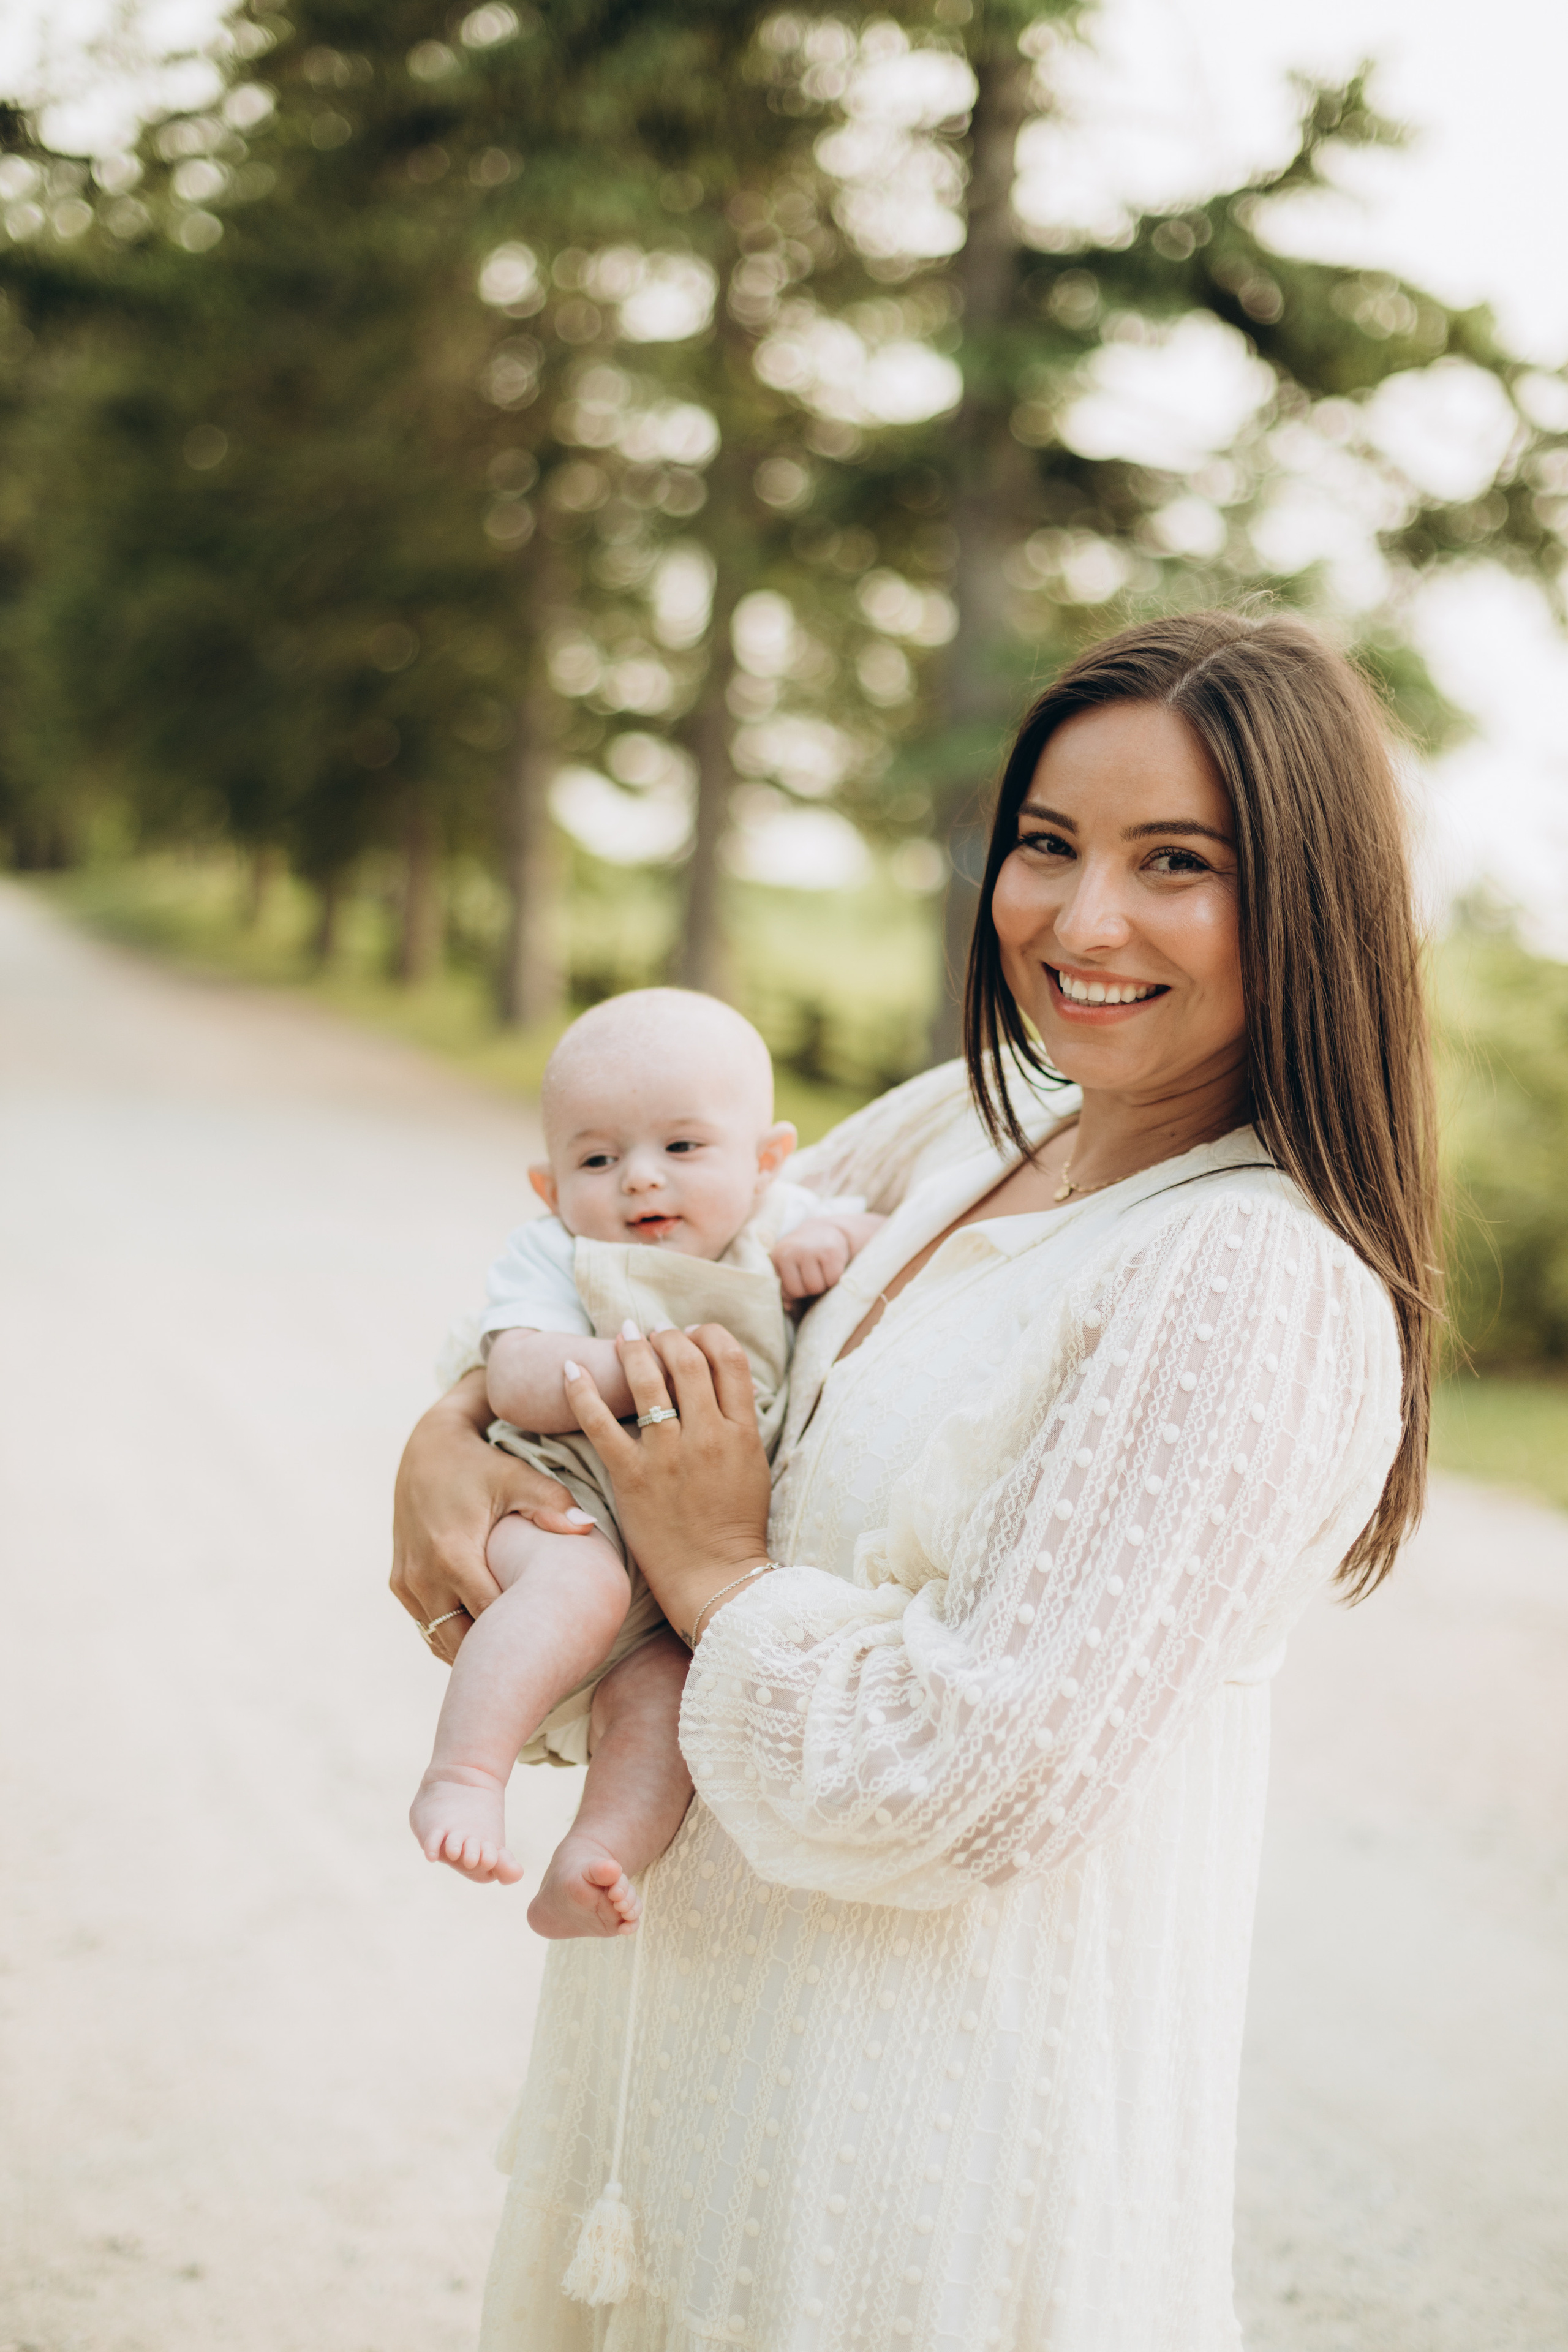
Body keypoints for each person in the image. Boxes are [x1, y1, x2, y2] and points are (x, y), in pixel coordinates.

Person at [392, 611, 1435, 2350]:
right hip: (680, 2097)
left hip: (916, 2172)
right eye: (1047, 843)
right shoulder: (966, 1125)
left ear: (1306, 900)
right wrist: (442, 1435)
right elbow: (615, 1273)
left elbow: (975, 1787)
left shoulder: (1248, 1277)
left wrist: (711, 1571)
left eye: (1175, 862)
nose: (1078, 920)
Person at [409, 987, 884, 1937]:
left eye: (682, 1147)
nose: (639, 1180)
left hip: (675, 1580)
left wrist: (835, 1238)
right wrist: (636, 1369)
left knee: (673, 1693)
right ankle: (463, 1775)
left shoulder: (780, 1222)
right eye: (597, 1159)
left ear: (767, 1161)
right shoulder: (553, 1253)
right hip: (564, 1512)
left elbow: (882, 1235)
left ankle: (595, 1858)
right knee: (579, 1588)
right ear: (550, 1188)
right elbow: (517, 1376)